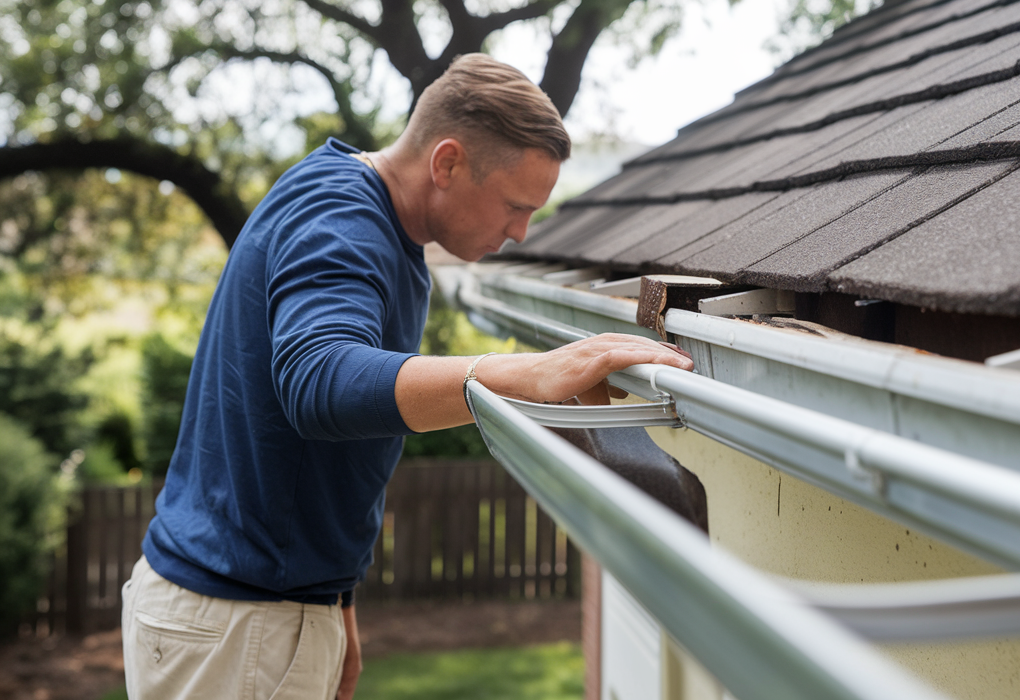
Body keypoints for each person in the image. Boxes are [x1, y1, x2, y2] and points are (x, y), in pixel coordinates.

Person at [120, 54, 693, 700]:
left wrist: (336, 598)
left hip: (256, 609)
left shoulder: (362, 216)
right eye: (513, 205)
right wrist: (525, 375)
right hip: (239, 622)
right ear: (446, 163)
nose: (520, 233)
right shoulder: (342, 218)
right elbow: (320, 381)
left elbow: (311, 449)